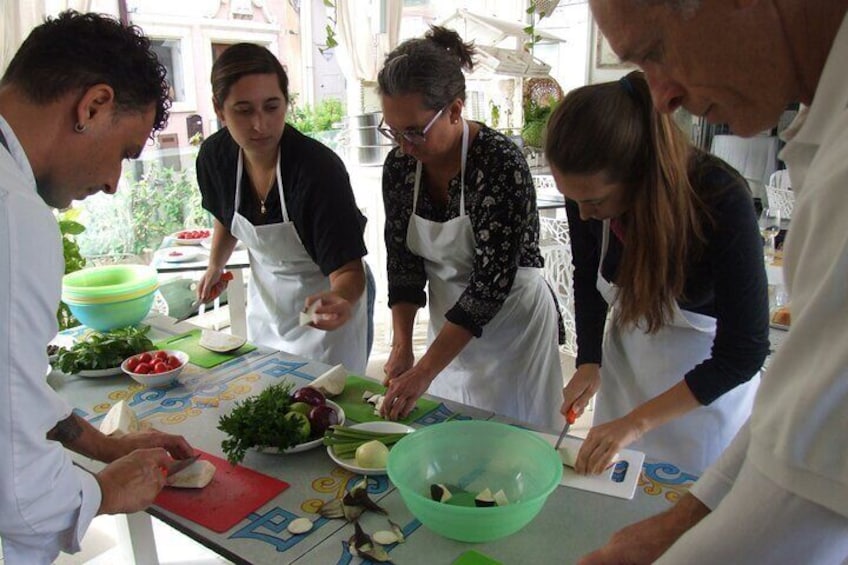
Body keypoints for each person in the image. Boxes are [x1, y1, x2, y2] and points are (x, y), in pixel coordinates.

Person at [579, 1, 848, 563]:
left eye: (655, 51)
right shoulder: (826, 128)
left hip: (705, 426)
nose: (662, 98)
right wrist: (680, 524)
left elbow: (810, 484)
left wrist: (675, 537)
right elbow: (793, 418)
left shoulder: (724, 196)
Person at [0, 11, 194, 563]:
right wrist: (102, 491)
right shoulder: (13, 213)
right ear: (93, 106)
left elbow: (11, 389)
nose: (112, 183)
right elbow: (17, 483)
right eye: (124, 154)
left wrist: (103, 445)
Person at [544, 70, 769, 476]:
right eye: (572, 199)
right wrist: (589, 359)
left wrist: (638, 421)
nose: (582, 214)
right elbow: (586, 278)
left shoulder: (720, 200)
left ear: (639, 172)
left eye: (593, 201)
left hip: (703, 400)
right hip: (626, 379)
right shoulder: (587, 194)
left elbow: (745, 352)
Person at [376, 26, 565, 431]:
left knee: (514, 443)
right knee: (452, 435)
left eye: (413, 131)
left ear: (456, 110)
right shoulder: (400, 168)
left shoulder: (499, 165)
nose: (403, 144)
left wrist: (425, 370)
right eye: (392, 130)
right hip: (451, 327)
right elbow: (403, 264)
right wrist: (402, 347)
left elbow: (489, 285)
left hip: (513, 325)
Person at [196, 43, 371, 375]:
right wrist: (214, 266)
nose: (260, 124)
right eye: (243, 110)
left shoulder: (317, 171)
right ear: (220, 110)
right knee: (268, 390)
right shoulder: (215, 157)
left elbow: (349, 271)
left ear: (287, 104)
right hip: (268, 304)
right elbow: (225, 214)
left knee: (324, 407)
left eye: (272, 107)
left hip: (324, 310)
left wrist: (342, 300)